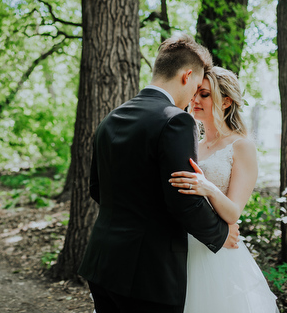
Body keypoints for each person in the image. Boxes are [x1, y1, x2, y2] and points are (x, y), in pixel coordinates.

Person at [78, 34, 240, 313]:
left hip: (101, 263)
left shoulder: (111, 118)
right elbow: (183, 198)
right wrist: (219, 233)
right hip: (148, 275)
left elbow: (97, 188)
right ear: (187, 75)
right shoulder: (176, 120)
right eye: (197, 87)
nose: (193, 98)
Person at [169, 66, 279, 313]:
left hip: (217, 253)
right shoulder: (192, 145)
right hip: (181, 244)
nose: (195, 99)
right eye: (195, 92)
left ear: (226, 101)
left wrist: (207, 187)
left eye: (205, 94)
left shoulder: (242, 146)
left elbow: (232, 213)